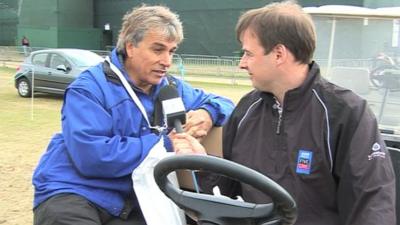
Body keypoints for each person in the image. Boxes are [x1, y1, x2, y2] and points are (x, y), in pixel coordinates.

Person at [173, 1, 396, 225]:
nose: (242, 63)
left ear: (279, 54)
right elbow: (227, 190)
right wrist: (202, 164)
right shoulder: (245, 110)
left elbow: (372, 203)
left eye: (248, 53)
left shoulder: (346, 113)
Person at [32, 5, 234, 225]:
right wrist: (166, 143)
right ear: (130, 47)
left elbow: (224, 103)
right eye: (158, 50)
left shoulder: (171, 88)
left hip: (136, 196)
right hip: (76, 191)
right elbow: (91, 157)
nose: (167, 61)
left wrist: (208, 112)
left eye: (171, 51)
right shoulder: (89, 89)